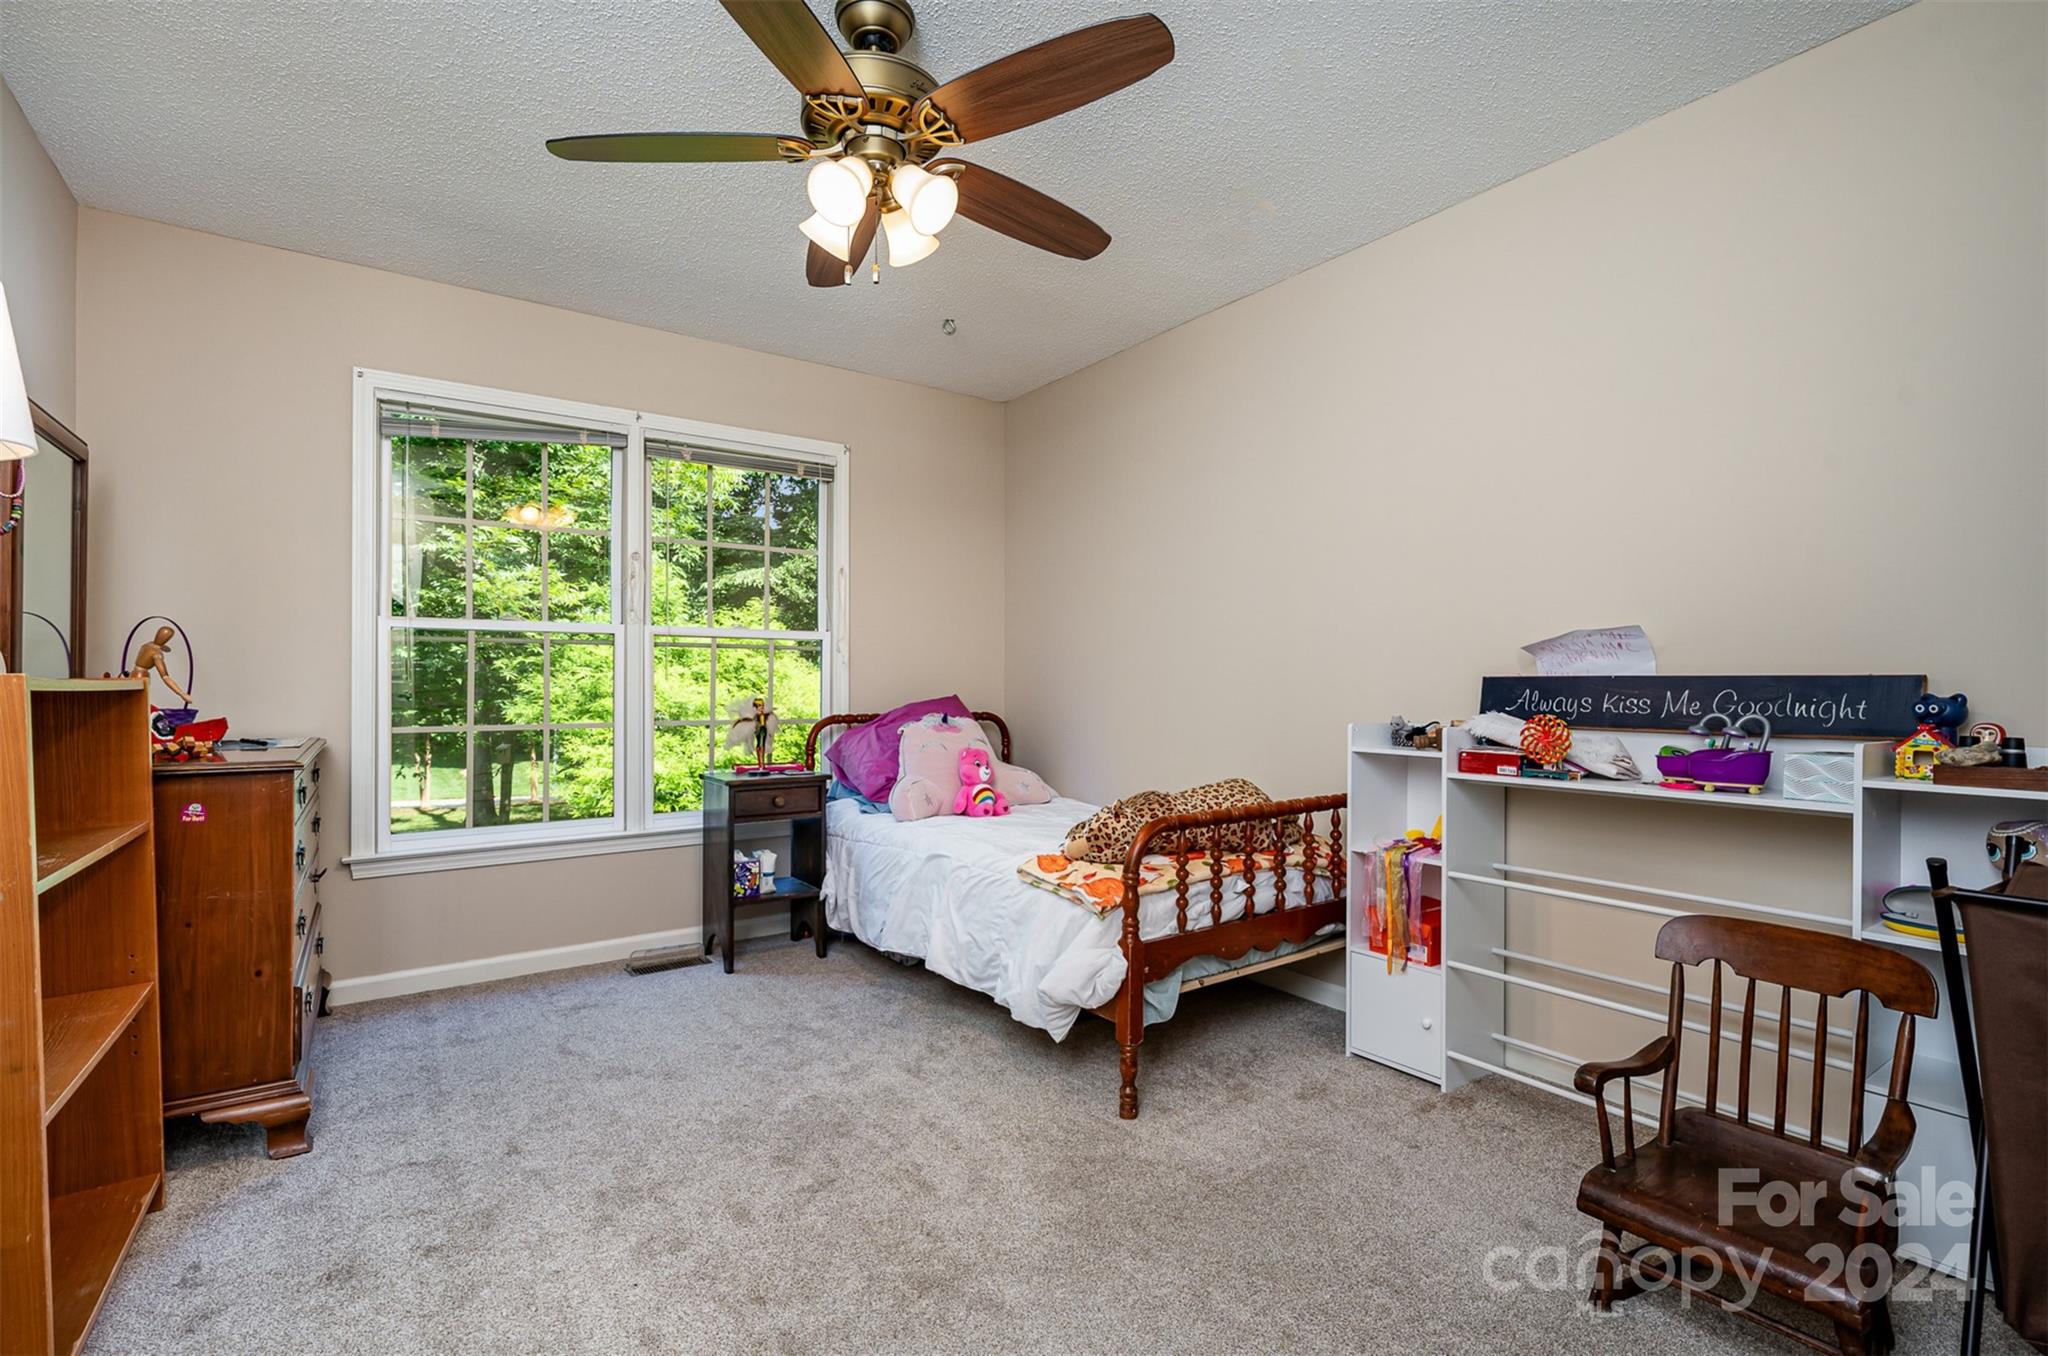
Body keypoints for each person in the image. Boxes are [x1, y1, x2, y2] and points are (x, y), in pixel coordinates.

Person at [130, 625, 192, 706]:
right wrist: (182, 694)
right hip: (141, 678)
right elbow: (165, 677)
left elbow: (162, 646)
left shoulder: (146, 645)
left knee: (135, 702)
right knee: (138, 704)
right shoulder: (157, 655)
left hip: (133, 674)